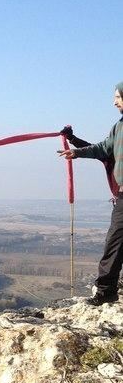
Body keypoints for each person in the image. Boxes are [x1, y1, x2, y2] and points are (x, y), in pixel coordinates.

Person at [58, 81, 123, 305]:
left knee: (115, 243)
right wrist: (75, 147)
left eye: (118, 96)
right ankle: (106, 292)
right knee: (115, 243)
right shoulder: (119, 127)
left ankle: (106, 292)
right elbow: (103, 149)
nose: (114, 101)